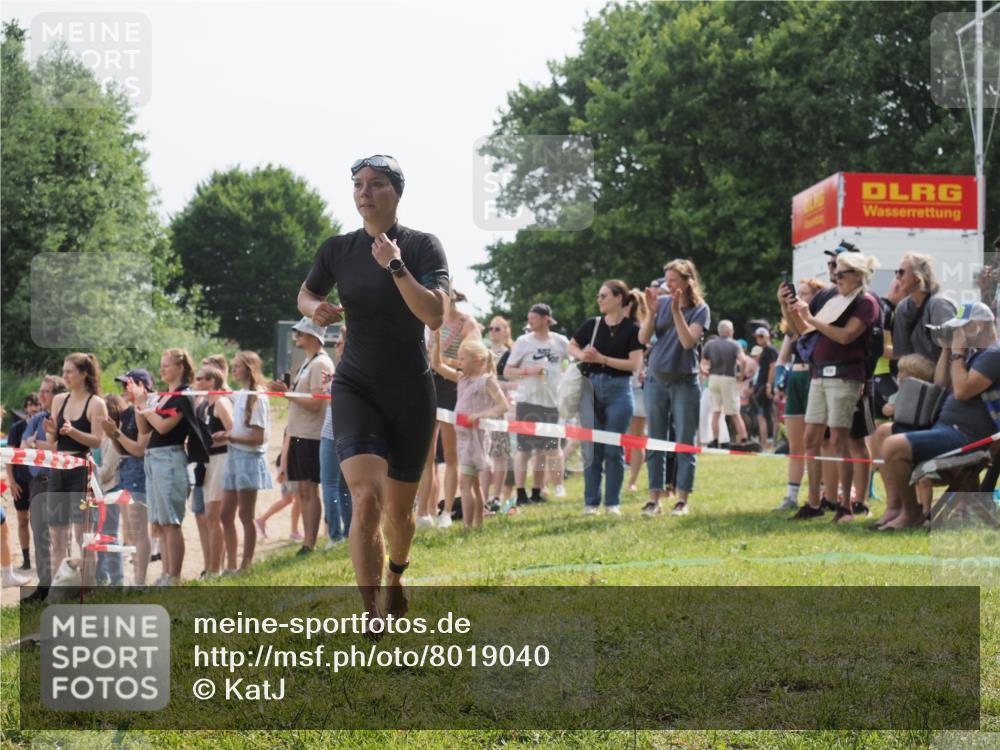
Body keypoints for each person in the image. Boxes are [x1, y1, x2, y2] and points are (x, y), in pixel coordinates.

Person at [297, 154, 449, 627]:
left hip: (410, 390)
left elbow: (435, 315)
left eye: (376, 184)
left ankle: (397, 577)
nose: (365, 192)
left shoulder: (423, 247)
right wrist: (316, 306)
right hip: (355, 384)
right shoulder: (337, 249)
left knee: (399, 514)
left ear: (396, 192)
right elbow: (304, 293)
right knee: (365, 498)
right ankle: (370, 613)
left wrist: (395, 266)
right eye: (358, 184)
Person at [880, 302, 1000, 529]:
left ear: (981, 326)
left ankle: (912, 514)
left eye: (963, 328)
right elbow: (940, 383)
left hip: (967, 437)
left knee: (892, 446)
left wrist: (957, 354)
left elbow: (963, 391)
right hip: (945, 430)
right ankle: (895, 508)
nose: (958, 334)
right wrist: (947, 349)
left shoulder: (995, 354)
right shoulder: (974, 355)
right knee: (881, 433)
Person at [786, 251, 880, 522]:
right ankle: (814, 503)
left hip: (845, 376)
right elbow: (804, 330)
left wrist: (811, 318)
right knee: (810, 440)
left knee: (840, 442)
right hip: (820, 375)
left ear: (858, 276)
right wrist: (789, 308)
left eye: (841, 273)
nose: (836, 277)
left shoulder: (866, 302)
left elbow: (846, 335)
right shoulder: (835, 299)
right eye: (835, 272)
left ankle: (845, 507)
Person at [639, 260, 710, 517]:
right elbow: (643, 339)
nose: (667, 286)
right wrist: (650, 312)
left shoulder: (701, 309)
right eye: (665, 281)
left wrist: (678, 312)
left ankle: (682, 499)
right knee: (655, 440)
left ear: (687, 281)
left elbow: (688, 341)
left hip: (685, 381)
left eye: (673, 281)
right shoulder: (662, 303)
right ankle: (654, 498)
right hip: (656, 379)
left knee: (684, 442)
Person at [568, 280, 644, 514]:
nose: (599, 300)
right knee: (591, 449)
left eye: (604, 296)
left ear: (619, 298)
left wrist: (603, 359)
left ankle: (612, 503)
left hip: (619, 390)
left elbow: (634, 364)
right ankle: (591, 503)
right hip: (590, 389)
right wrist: (584, 355)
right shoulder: (592, 324)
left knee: (613, 449)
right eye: (599, 296)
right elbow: (572, 345)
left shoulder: (633, 329)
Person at [267, 317, 334, 553]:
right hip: (300, 433)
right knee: (303, 490)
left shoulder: (321, 364)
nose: (297, 337)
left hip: (311, 435)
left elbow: (318, 403)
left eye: (301, 333)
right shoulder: (310, 362)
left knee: (309, 489)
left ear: (314, 336)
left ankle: (310, 542)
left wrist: (286, 395)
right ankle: (308, 541)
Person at [134, 349, 201, 585]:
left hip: (170, 459)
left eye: (167, 366)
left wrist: (146, 406)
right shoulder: (162, 396)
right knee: (160, 523)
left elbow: (163, 427)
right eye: (161, 365)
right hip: (153, 459)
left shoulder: (184, 395)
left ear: (180, 368)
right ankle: (165, 573)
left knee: (171, 522)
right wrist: (138, 404)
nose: (162, 369)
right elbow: (144, 429)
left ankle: (174, 576)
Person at [431, 332, 509, 528]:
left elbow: (502, 406)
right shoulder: (462, 378)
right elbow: (437, 365)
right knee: (472, 483)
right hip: (464, 438)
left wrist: (481, 415)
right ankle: (477, 524)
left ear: (477, 360)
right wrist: (437, 342)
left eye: (463, 358)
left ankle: (468, 526)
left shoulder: (487, 380)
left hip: (478, 438)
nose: (459, 361)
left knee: (465, 482)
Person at [45, 354, 108, 584]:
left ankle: (87, 584)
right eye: (64, 371)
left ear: (84, 374)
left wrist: (73, 432)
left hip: (82, 470)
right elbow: (52, 440)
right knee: (57, 533)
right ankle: (57, 586)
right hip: (59, 468)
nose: (65, 376)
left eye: (70, 371)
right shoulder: (59, 400)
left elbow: (98, 440)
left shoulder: (96, 403)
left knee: (83, 534)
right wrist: (51, 429)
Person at [419, 288, 478, 528]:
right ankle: (425, 510)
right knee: (426, 454)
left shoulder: (467, 323)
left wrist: (441, 358)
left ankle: (447, 511)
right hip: (429, 383)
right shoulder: (429, 321)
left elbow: (473, 361)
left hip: (453, 387)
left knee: (451, 454)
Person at [504, 303, 569, 506]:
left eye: (533, 318)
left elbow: (573, 365)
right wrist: (528, 371)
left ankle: (537, 492)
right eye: (529, 317)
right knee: (525, 450)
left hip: (551, 402)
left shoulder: (561, 341)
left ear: (546, 319)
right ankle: (521, 493)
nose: (529, 321)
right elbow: (507, 371)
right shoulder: (523, 342)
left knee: (547, 448)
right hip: (527, 401)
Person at [774, 278, 828, 511]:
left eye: (806, 294)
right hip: (795, 379)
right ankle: (791, 495)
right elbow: (782, 357)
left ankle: (824, 491)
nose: (800, 297)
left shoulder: (820, 322)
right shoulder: (792, 325)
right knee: (796, 444)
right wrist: (779, 380)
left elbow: (806, 334)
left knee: (818, 442)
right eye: (799, 293)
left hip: (813, 378)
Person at [217, 351, 272, 572]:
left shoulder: (258, 396)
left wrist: (229, 436)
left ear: (248, 368)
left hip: (249, 459)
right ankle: (231, 565)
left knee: (245, 515)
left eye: (238, 366)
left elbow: (257, 437)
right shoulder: (241, 394)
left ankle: (246, 565)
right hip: (234, 456)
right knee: (225, 513)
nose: (235, 370)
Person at [20, 376, 66, 604]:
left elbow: (58, 448)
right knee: (39, 536)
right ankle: (44, 585)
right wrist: (38, 445)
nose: (42, 395)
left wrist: (36, 444)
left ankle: (61, 586)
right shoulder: (37, 418)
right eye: (41, 391)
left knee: (59, 538)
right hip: (37, 483)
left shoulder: (66, 417)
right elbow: (22, 445)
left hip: (58, 481)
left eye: (47, 391)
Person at [106, 369, 153, 586]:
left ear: (142, 385)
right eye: (123, 385)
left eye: (128, 384)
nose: (123, 389)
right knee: (130, 530)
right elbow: (122, 447)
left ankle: (140, 581)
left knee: (138, 528)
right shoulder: (127, 412)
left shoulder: (146, 409)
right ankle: (136, 581)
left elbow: (139, 450)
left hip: (138, 469)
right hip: (125, 468)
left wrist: (115, 433)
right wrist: (111, 432)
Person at [194, 365, 232, 576]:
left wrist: (221, 436)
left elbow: (233, 428)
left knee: (213, 515)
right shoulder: (203, 406)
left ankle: (216, 569)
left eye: (200, 379)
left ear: (211, 381)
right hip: (206, 461)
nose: (196, 382)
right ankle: (211, 566)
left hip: (220, 459)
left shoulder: (221, 403)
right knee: (208, 516)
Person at [319, 324, 352, 548]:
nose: (335, 345)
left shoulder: (343, 369)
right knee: (344, 487)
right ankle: (348, 534)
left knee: (330, 484)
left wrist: (328, 388)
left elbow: (337, 400)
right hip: (348, 432)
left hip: (333, 432)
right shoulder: (352, 367)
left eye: (338, 341)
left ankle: (335, 535)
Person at [892, 253, 957, 362]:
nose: (897, 277)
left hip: (943, 374)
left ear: (917, 277)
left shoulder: (939, 305)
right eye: (897, 272)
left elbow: (954, 349)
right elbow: (902, 353)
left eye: (902, 272)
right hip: (915, 374)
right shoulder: (902, 308)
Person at [483, 316, 517, 511]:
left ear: (506, 331)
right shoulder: (483, 353)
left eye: (497, 329)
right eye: (491, 329)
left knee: (501, 454)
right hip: (484, 408)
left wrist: (496, 384)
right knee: (485, 454)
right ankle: (484, 496)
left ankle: (498, 497)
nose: (493, 332)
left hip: (505, 410)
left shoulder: (511, 355)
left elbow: (517, 381)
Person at [5, 393, 40, 572]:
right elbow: (9, 458)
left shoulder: (44, 427)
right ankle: (26, 559)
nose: (34, 408)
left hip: (39, 480)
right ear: (26, 408)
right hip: (20, 480)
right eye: (31, 405)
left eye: (37, 405)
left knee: (39, 521)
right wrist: (11, 481)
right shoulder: (16, 428)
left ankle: (42, 558)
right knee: (22, 519)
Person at [701, 320, 749, 448]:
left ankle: (715, 440)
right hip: (728, 378)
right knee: (734, 412)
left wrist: (705, 371)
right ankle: (744, 440)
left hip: (713, 378)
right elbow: (743, 360)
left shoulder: (710, 344)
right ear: (730, 331)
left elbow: (703, 361)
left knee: (715, 412)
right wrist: (741, 375)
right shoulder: (734, 345)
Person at [752, 326, 779, 450]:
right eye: (757, 336)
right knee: (761, 415)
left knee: (766, 414)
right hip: (761, 385)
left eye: (761, 336)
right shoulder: (765, 350)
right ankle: (764, 442)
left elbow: (773, 367)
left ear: (767, 336)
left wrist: (769, 385)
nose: (759, 339)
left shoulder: (770, 350)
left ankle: (768, 442)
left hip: (765, 385)